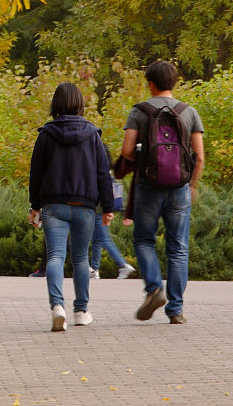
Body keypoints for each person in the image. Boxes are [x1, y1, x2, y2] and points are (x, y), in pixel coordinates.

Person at [119, 59, 204, 324]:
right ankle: (176, 310)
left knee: (144, 240)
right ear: (174, 82)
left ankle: (155, 289)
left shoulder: (139, 111)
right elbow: (200, 156)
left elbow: (127, 151)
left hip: (148, 185)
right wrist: (192, 185)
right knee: (178, 248)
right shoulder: (189, 112)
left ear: (151, 84)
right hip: (180, 187)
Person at [29, 81, 115, 331]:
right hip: (84, 205)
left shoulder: (46, 134)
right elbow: (102, 173)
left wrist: (35, 206)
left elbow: (36, 172)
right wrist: (108, 206)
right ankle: (81, 311)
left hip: (53, 205)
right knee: (80, 258)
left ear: (55, 104)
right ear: (80, 103)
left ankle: (58, 307)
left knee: (56, 256)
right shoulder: (92, 134)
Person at [90, 143, 135, 279]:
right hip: (105, 208)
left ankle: (123, 265)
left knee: (104, 238)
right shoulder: (108, 170)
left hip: (98, 209)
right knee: (97, 240)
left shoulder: (96, 171)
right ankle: (94, 269)